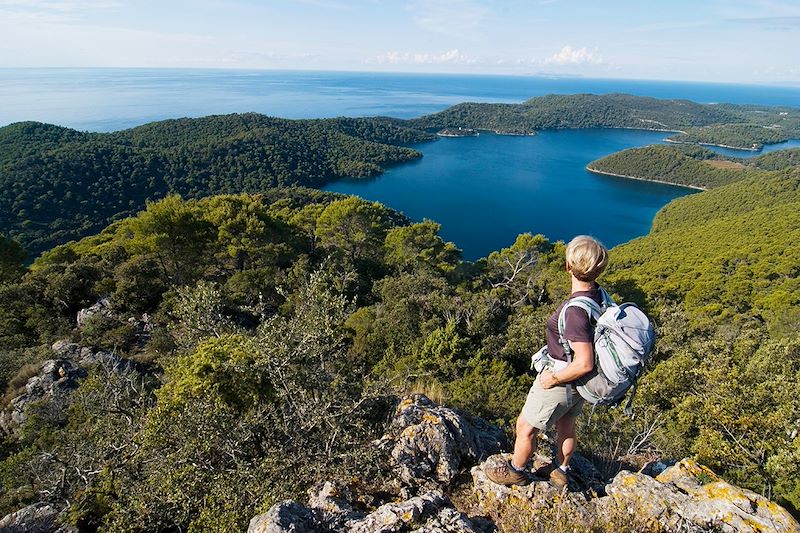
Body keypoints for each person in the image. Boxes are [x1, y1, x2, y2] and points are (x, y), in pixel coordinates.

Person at [485, 235, 609, 489]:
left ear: (568, 267)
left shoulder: (575, 311)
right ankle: (560, 471)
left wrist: (552, 377)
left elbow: (584, 361)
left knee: (526, 426)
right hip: (581, 384)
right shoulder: (600, 296)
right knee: (566, 424)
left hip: (563, 377)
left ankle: (516, 471)